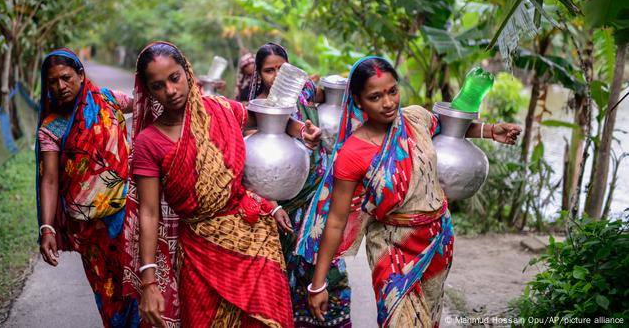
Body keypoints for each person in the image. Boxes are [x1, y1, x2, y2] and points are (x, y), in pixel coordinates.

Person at [299, 57, 522, 327]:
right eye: (375, 96)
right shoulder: (352, 153)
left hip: (437, 239)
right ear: (358, 101)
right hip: (392, 248)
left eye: (392, 91)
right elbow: (335, 220)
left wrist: (490, 130)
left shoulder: (416, 119)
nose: (388, 102)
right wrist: (318, 284)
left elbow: (449, 129)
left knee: (428, 318)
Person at [122, 41, 322, 327]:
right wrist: (149, 281)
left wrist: (302, 130)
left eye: (174, 78)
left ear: (187, 73)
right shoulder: (149, 143)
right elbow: (149, 213)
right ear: (148, 90)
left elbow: (266, 119)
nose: (170, 90)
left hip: (254, 238)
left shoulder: (220, 110)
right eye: (158, 85)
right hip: (200, 252)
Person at [249, 43, 350, 327]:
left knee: (329, 267)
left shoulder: (304, 94)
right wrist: (271, 206)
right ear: (259, 74)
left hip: (318, 199)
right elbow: (252, 170)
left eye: (282, 69)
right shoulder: (257, 108)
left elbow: (327, 96)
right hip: (281, 206)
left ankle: (334, 319)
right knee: (284, 273)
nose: (276, 76)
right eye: (269, 71)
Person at [36, 48, 137, 327]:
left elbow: (146, 105)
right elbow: (50, 179)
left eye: (66, 77)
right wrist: (47, 227)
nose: (60, 87)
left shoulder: (108, 100)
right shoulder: (51, 127)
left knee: (141, 283)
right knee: (108, 293)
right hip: (90, 229)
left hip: (130, 216)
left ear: (81, 74)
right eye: (53, 82)